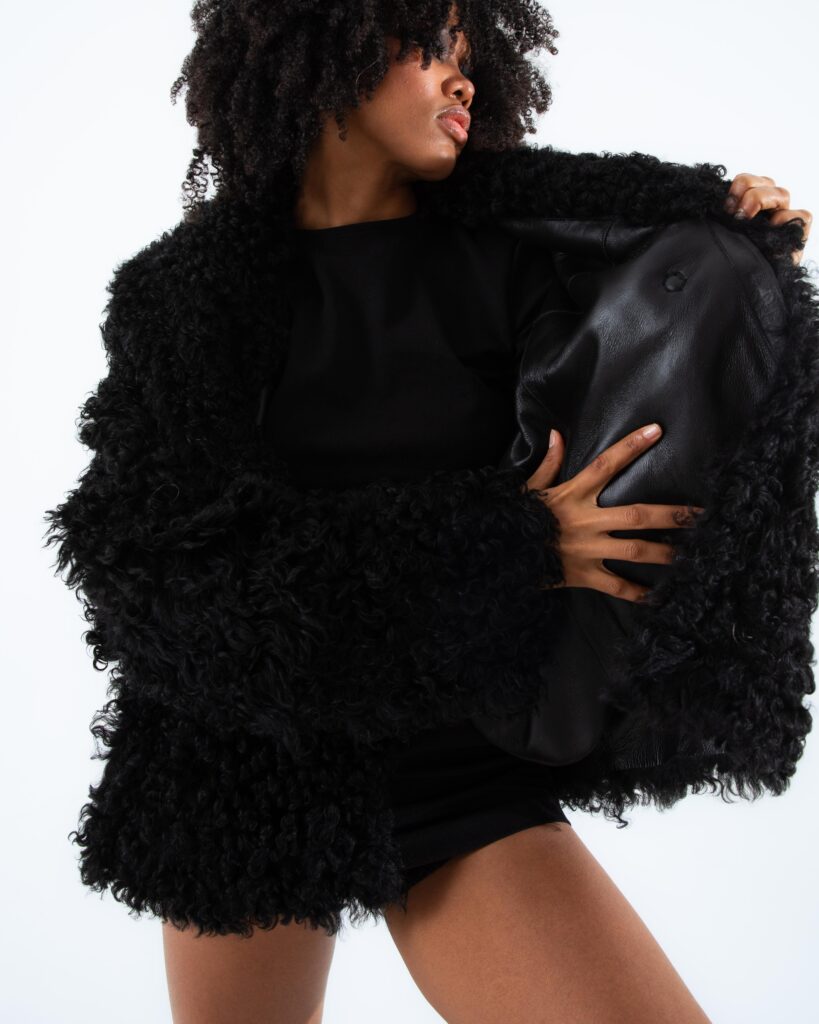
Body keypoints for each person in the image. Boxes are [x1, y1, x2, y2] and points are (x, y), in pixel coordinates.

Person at [47, 3, 813, 1023]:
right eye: (427, 47)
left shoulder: (518, 254)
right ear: (326, 52)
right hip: (248, 754)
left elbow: (665, 321)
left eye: (467, 52)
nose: (463, 78)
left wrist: (721, 224)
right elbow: (161, 570)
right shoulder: (184, 298)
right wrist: (513, 544)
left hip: (456, 757)